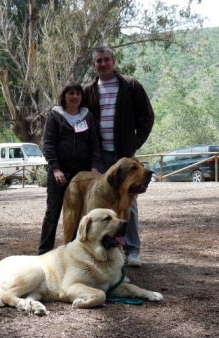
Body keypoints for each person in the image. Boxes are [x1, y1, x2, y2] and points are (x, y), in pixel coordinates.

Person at [84, 46, 155, 267]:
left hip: (123, 156)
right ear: (94, 65)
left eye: (106, 60)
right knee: (99, 203)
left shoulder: (130, 85)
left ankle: (132, 250)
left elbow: (147, 116)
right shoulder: (89, 91)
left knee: (129, 202)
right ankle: (104, 247)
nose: (103, 64)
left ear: (113, 62)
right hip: (100, 156)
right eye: (98, 61)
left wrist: (133, 144)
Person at [38, 83, 101, 255]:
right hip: (60, 172)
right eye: (71, 93)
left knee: (80, 213)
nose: (75, 96)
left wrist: (94, 168)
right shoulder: (55, 115)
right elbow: (48, 145)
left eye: (78, 93)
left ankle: (74, 251)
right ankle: (44, 252)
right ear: (64, 96)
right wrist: (56, 169)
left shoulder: (87, 117)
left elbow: (94, 144)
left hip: (82, 173)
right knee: (53, 212)